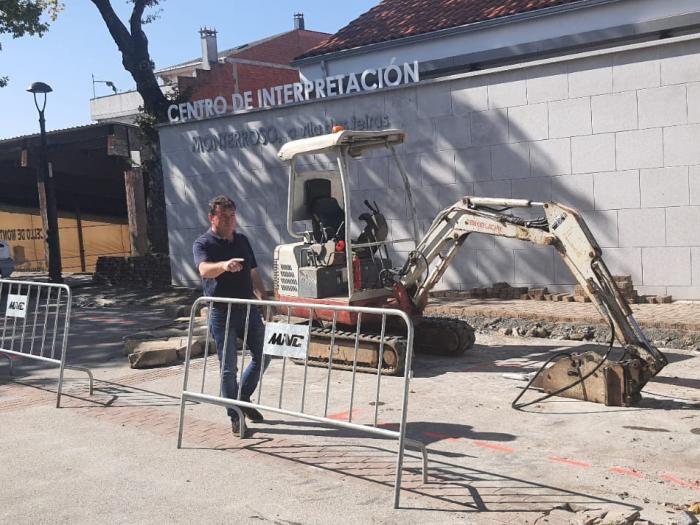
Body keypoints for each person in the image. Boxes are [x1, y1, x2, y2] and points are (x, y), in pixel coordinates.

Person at [193, 195, 268, 435]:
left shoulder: (243, 241)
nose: (228, 220)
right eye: (223, 216)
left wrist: (264, 299)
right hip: (221, 312)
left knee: (265, 354)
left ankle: (242, 397)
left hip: (248, 309)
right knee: (228, 367)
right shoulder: (203, 243)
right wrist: (224, 266)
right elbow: (204, 270)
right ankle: (235, 415)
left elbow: (253, 272)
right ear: (211, 217)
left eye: (232, 216)